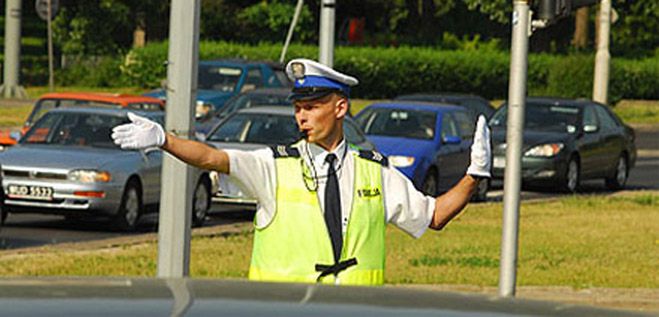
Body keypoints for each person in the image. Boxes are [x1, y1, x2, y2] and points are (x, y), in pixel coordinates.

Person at [111, 58, 491, 286]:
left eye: (312, 106)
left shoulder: (374, 171)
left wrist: (474, 174)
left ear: (340, 108)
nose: (301, 116)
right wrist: (164, 139)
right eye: (298, 107)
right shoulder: (273, 166)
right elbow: (212, 158)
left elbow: (434, 215)